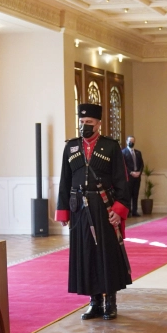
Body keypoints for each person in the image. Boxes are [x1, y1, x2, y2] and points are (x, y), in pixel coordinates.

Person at [55, 104, 132, 321]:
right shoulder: (71, 147)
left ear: (98, 123)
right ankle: (94, 302)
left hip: (103, 207)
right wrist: (63, 211)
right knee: (86, 253)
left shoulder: (110, 146)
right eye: (82, 122)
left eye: (89, 122)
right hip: (78, 208)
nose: (84, 126)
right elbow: (64, 180)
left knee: (106, 254)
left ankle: (110, 302)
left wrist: (119, 210)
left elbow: (122, 181)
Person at [122, 136, 144, 217]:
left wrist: (139, 172)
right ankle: (128, 211)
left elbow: (142, 164)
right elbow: (123, 165)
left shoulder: (138, 152)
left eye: (133, 141)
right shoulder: (123, 152)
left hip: (137, 177)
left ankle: (135, 211)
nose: (131, 142)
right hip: (128, 177)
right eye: (130, 141)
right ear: (126, 141)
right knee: (128, 194)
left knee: (135, 194)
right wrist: (131, 172)